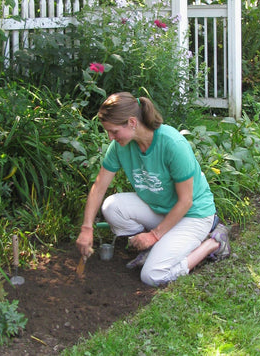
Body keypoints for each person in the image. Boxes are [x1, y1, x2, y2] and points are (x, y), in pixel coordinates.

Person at [76, 92, 230, 287]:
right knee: (112, 207)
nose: (110, 137)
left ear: (132, 122)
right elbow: (99, 187)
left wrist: (154, 235)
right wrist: (87, 227)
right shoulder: (119, 147)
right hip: (162, 209)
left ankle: (213, 243)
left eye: (114, 131)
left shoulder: (172, 144)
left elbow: (186, 201)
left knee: (152, 275)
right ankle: (158, 246)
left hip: (193, 214)